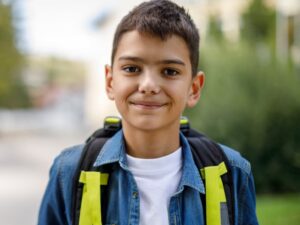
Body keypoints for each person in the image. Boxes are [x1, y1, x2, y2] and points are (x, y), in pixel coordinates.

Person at [38, 1, 259, 225]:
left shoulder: (232, 172)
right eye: (132, 69)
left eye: (170, 71)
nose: (149, 85)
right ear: (110, 81)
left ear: (194, 88)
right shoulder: (68, 172)